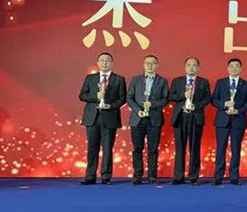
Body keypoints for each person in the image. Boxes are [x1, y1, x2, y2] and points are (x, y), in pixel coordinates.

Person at [79, 52, 126, 185]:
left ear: (112, 63)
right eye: (102, 60)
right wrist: (96, 97)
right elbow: (82, 95)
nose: (105, 63)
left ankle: (106, 177)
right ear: (98, 63)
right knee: (92, 148)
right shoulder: (90, 78)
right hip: (92, 117)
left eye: (107, 61)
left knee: (107, 148)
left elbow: (122, 99)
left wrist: (110, 105)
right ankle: (90, 176)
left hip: (110, 117)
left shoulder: (119, 79)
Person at [126, 54, 169, 184]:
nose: (150, 65)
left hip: (154, 119)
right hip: (137, 118)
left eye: (153, 63)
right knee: (137, 149)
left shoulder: (162, 81)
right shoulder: (135, 80)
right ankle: (137, 176)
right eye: (147, 63)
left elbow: (166, 99)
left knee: (153, 150)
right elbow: (129, 98)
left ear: (157, 65)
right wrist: (137, 110)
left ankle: (152, 176)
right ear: (143, 65)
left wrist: (152, 104)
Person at [168, 57, 211, 185]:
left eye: (194, 65)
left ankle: (193, 176)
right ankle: (178, 176)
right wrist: (183, 95)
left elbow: (207, 99)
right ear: (185, 67)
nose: (191, 67)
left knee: (195, 147)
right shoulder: (177, 81)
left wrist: (196, 106)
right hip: (180, 116)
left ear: (198, 67)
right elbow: (170, 96)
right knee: (179, 148)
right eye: (189, 65)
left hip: (195, 116)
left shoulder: (203, 82)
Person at [212, 58, 247, 186]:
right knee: (220, 148)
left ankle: (234, 176)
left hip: (238, 120)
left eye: (237, 66)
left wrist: (239, 110)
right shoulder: (221, 82)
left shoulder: (246, 84)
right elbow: (214, 100)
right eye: (231, 66)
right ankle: (218, 176)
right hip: (222, 121)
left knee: (236, 148)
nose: (234, 68)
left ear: (241, 69)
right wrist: (224, 104)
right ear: (228, 68)